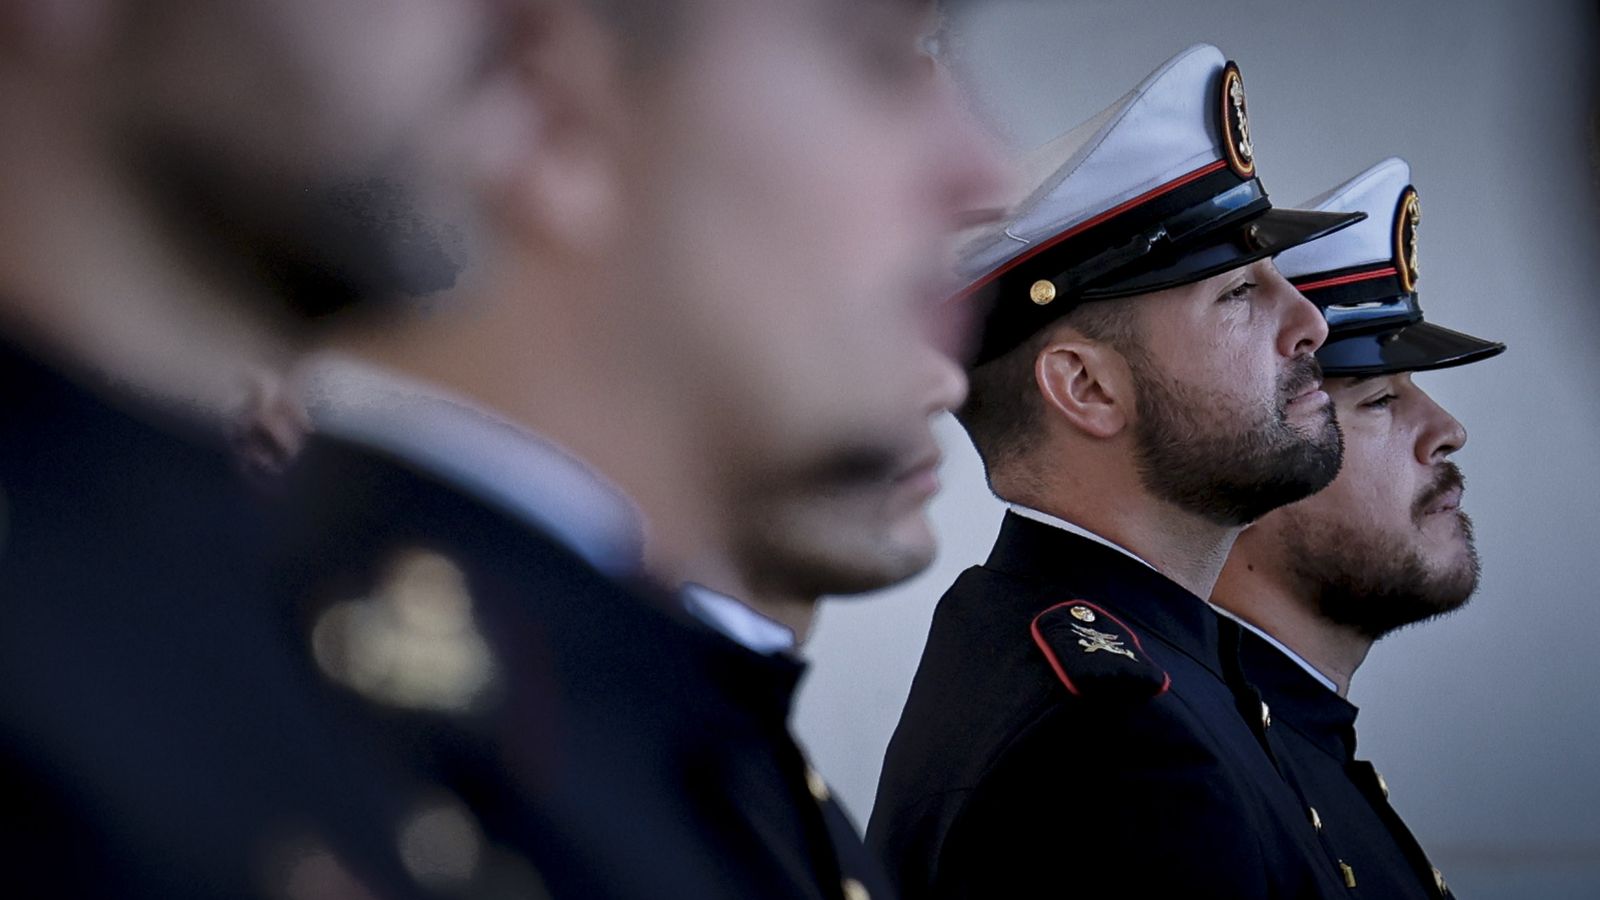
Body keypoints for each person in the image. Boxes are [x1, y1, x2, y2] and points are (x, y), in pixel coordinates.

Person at [267, 0, 1003, 897]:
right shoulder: (362, 757)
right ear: (552, 115)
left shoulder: (610, 717)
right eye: (880, 60)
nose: (983, 174)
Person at [868, 44, 1367, 898]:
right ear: (1087, 387)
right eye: (1240, 293)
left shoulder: (1134, 662)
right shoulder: (1113, 745)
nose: (1309, 323)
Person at [1212, 157, 1504, 900]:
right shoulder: (1183, 763)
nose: (1447, 430)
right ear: (1262, 464)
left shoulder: (1285, 737)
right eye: (1377, 400)